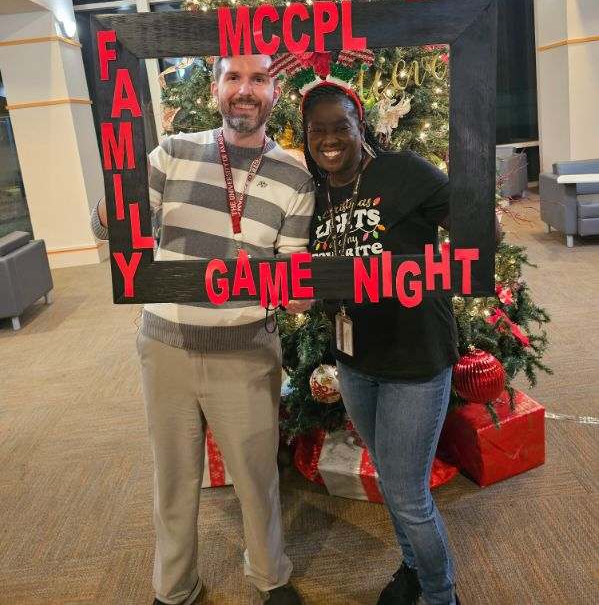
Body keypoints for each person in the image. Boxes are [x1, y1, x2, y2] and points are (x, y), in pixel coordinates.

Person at [91, 54, 314, 605]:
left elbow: (294, 271)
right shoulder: (173, 151)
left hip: (245, 349)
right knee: (174, 477)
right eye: (234, 77)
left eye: (258, 79)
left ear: (275, 89)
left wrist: (299, 290)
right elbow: (114, 224)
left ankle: (269, 577)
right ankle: (175, 586)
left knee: (256, 478)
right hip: (164, 343)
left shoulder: (295, 176)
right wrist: (112, 204)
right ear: (215, 86)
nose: (245, 90)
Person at [302, 80, 462, 605]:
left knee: (406, 493)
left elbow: (472, 226)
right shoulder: (314, 192)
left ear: (360, 126)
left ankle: (441, 595)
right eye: (317, 129)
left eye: (339, 127)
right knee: (392, 480)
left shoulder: (403, 171)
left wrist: (473, 239)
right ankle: (413, 569)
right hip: (356, 359)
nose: (329, 138)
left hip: (415, 356)